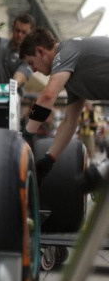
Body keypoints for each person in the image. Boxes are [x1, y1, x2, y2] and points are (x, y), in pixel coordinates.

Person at [20, 27, 109, 182]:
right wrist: (48, 160)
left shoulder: (66, 51)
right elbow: (69, 122)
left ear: (40, 51)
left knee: (98, 177)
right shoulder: (73, 80)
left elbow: (47, 96)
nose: (33, 70)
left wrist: (26, 135)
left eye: (31, 63)